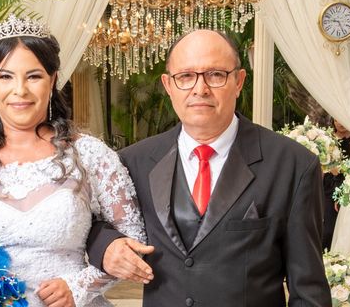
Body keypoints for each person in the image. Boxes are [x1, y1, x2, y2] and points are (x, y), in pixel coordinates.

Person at [86, 29, 331, 307]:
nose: (199, 89)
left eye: (215, 75)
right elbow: (89, 222)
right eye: (186, 77)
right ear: (168, 85)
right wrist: (104, 246)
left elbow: (309, 293)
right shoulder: (134, 161)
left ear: (239, 81)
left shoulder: (293, 165)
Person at [0, 15, 146, 307]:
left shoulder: (91, 156)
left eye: (33, 76)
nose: (20, 90)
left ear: (53, 80)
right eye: (5, 76)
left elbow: (132, 242)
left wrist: (80, 285)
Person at [322, 118, 350, 250]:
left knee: (340, 226)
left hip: (346, 184)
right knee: (326, 227)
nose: (340, 123)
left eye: (342, 120)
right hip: (327, 185)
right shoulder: (327, 138)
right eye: (336, 120)